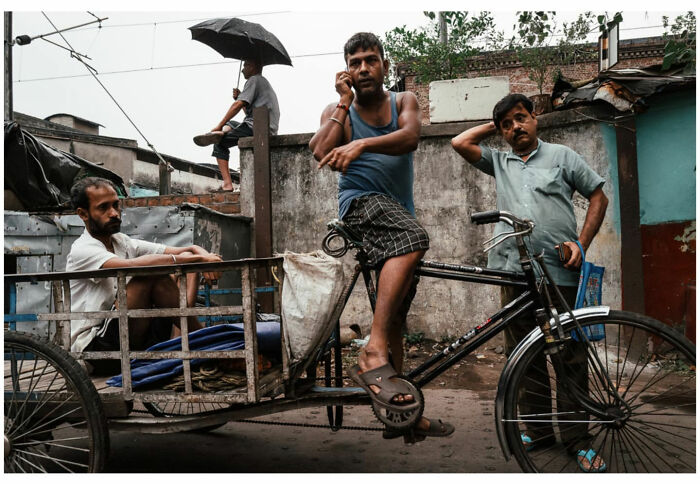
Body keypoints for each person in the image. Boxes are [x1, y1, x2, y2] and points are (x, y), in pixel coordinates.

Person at [451, 93, 609, 471]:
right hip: (514, 274)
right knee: (526, 356)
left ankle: (578, 439)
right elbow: (460, 143)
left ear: (535, 118)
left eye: (520, 118)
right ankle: (537, 432)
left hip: (560, 274)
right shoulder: (500, 161)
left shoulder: (562, 156)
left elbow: (598, 197)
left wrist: (580, 243)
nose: (515, 128)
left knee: (569, 357)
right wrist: (497, 123)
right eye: (507, 125)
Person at [309, 32, 453, 441]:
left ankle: (401, 418)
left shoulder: (402, 101)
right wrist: (342, 103)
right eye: (354, 63)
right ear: (346, 71)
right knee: (414, 237)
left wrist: (362, 145)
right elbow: (320, 152)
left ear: (385, 66)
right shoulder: (340, 111)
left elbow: (410, 137)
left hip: (395, 216)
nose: (363, 69)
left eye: (370, 60)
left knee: (393, 322)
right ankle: (371, 351)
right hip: (359, 207)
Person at [66, 177, 223, 375]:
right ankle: (207, 343)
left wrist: (202, 254)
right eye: (103, 208)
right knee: (150, 275)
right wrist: (198, 260)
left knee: (167, 268)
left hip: (127, 338)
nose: (114, 213)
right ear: (83, 214)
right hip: (94, 349)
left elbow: (182, 251)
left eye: (116, 205)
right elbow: (132, 266)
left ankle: (203, 342)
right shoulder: (83, 249)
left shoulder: (121, 241)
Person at [193, 58, 280, 192]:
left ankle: (227, 184)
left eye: (245, 65)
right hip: (262, 126)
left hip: (257, 128)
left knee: (220, 144)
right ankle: (223, 132)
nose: (242, 69)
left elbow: (237, 106)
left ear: (254, 67)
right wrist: (239, 96)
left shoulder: (254, 80)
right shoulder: (263, 83)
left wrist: (219, 125)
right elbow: (248, 113)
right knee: (232, 124)